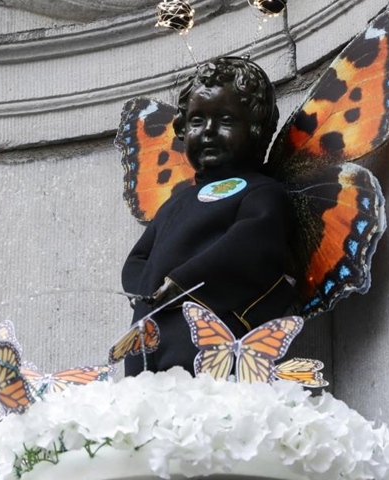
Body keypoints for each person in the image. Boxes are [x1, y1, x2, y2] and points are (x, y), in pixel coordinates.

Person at [122, 57, 297, 376]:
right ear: (181, 128)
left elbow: (249, 247)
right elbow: (140, 256)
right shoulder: (176, 200)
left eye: (226, 120)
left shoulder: (260, 191)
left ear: (256, 128)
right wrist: (144, 289)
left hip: (208, 336)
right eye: (197, 121)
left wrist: (182, 282)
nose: (209, 132)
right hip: (150, 335)